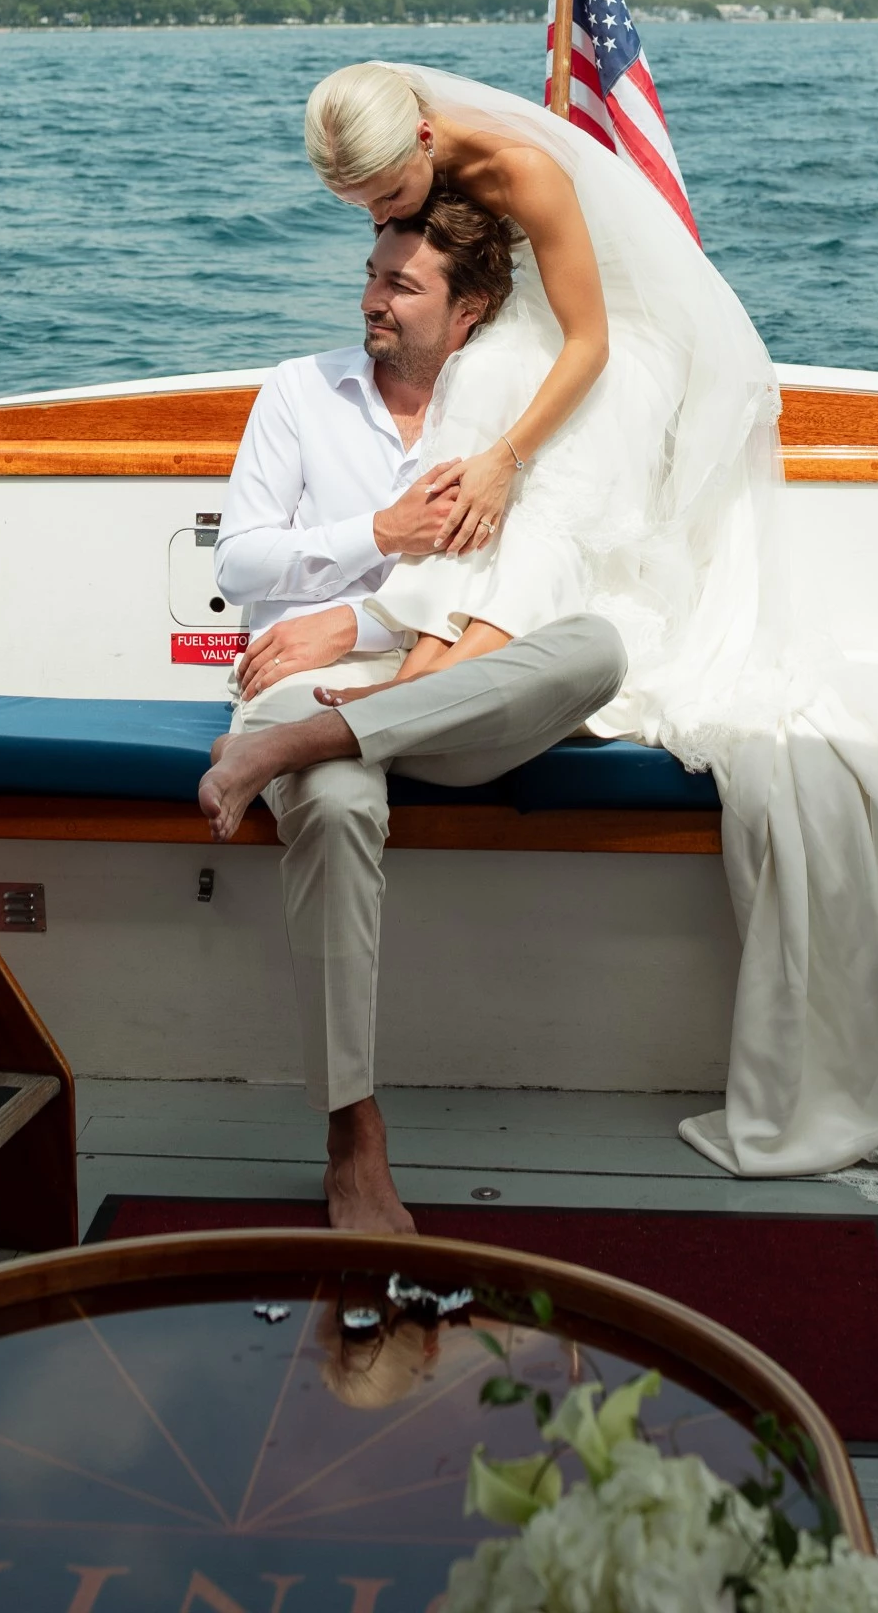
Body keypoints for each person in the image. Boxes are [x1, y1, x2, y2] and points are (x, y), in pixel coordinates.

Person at [291, 61, 878, 1203]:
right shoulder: (417, 177)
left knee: (546, 469)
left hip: (627, 348)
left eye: (388, 192)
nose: (381, 218)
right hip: (532, 330)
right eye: (360, 210)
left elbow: (593, 342)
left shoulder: (526, 168)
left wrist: (508, 457)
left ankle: (437, 673)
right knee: (482, 381)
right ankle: (435, 655)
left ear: (431, 138)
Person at [200, 183, 627, 1231]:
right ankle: (353, 1130)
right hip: (303, 678)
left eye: (401, 285)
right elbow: (244, 563)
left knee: (599, 649)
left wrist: (372, 631)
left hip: (440, 694)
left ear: (468, 310)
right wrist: (378, 536)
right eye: (371, 278)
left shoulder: (511, 420)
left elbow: (532, 579)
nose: (372, 301)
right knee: (340, 804)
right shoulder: (301, 393)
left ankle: (313, 743)